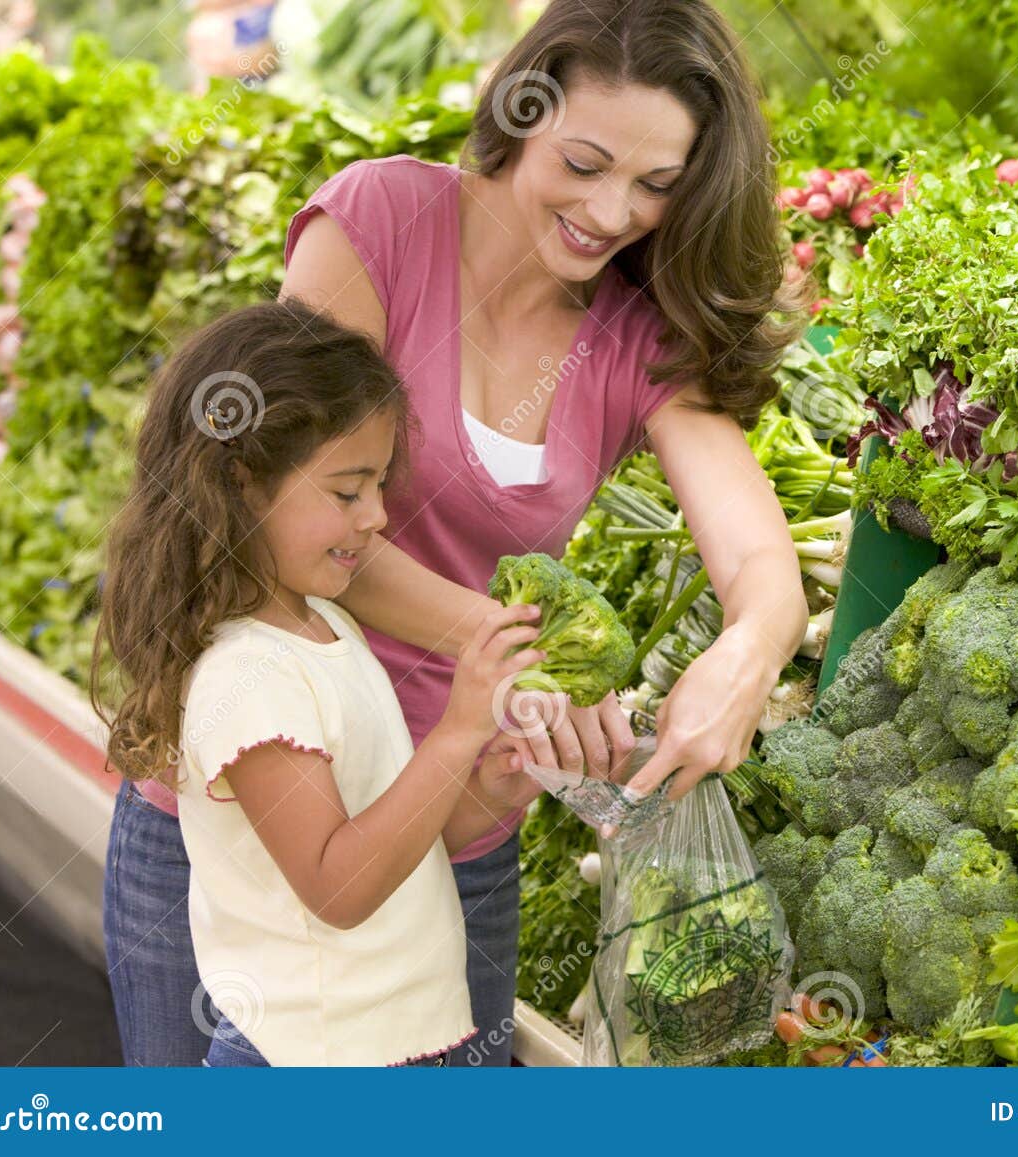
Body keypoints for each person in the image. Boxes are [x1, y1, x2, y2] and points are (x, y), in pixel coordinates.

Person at [103, 0, 809, 1066]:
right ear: (523, 107)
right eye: (584, 159)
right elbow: (287, 521)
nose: (611, 210)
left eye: (657, 186)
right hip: (238, 803)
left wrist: (747, 658)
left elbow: (761, 562)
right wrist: (521, 656)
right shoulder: (381, 220)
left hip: (450, 820)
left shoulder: (636, 337)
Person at [93, 300, 546, 1065]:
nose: (376, 517)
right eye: (348, 490)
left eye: (379, 486)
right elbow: (339, 886)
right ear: (240, 486)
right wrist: (460, 729)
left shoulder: (325, 627)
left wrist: (484, 796)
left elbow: (391, 842)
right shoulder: (246, 677)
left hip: (389, 1049)